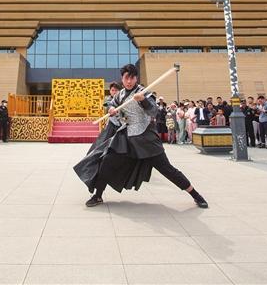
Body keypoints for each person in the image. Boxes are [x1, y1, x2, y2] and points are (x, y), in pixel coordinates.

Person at [74, 64, 208, 209]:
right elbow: (111, 103)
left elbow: (153, 111)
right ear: (122, 78)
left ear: (136, 78)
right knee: (106, 161)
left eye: (132, 78)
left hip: (146, 137)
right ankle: (98, 195)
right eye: (126, 78)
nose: (129, 81)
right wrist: (111, 108)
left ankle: (196, 195)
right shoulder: (120, 95)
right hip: (126, 138)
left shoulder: (144, 92)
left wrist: (143, 100)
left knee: (166, 168)